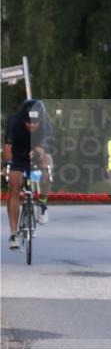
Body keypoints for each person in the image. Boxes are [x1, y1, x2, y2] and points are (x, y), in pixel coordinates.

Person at [3, 99, 54, 248]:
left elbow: (46, 145)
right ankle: (13, 234)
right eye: (27, 122)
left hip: (37, 151)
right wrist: (7, 164)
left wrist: (38, 151)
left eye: (34, 123)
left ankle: (43, 204)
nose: (30, 125)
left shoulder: (46, 124)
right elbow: (7, 148)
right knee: (14, 185)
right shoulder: (15, 121)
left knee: (48, 164)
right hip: (17, 153)